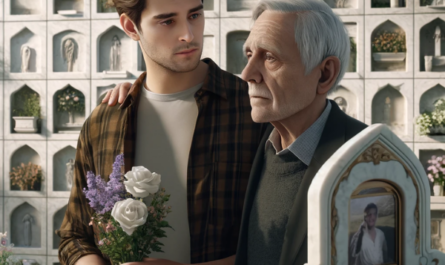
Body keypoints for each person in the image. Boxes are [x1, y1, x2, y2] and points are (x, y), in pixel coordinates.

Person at [108, 0, 368, 264]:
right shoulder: (266, 144)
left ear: (324, 74)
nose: (246, 74)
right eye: (249, 55)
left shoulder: (367, 165)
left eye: (270, 58)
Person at [56, 0, 266, 264]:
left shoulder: (252, 109)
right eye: (167, 21)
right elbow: (75, 236)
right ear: (131, 27)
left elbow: (280, 240)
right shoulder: (103, 121)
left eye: (195, 15)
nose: (189, 35)